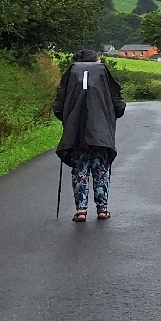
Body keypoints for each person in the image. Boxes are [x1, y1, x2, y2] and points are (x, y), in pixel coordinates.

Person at [54, 49, 126, 222]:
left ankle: (81, 210)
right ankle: (102, 209)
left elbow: (58, 105)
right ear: (94, 60)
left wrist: (68, 119)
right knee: (101, 169)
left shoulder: (70, 73)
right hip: (100, 132)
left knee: (80, 170)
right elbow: (118, 103)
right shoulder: (103, 72)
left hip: (76, 132)